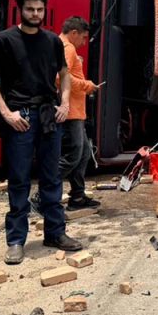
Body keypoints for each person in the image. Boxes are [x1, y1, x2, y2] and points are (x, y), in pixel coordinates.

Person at [0, 0, 82, 265]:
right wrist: (6, 114)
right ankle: (15, 241)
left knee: (52, 177)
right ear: (20, 10)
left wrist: (64, 104)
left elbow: (64, 75)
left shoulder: (52, 41)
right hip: (21, 117)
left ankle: (55, 233)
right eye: (30, 10)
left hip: (49, 115)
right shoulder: (4, 40)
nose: (35, 14)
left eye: (39, 10)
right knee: (19, 180)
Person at [56, 16, 100, 211]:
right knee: (73, 155)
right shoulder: (68, 48)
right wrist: (86, 85)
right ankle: (45, 192)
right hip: (71, 111)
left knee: (82, 155)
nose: (83, 43)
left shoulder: (61, 46)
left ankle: (78, 196)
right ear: (73, 33)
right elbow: (60, 78)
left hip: (76, 111)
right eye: (82, 38)